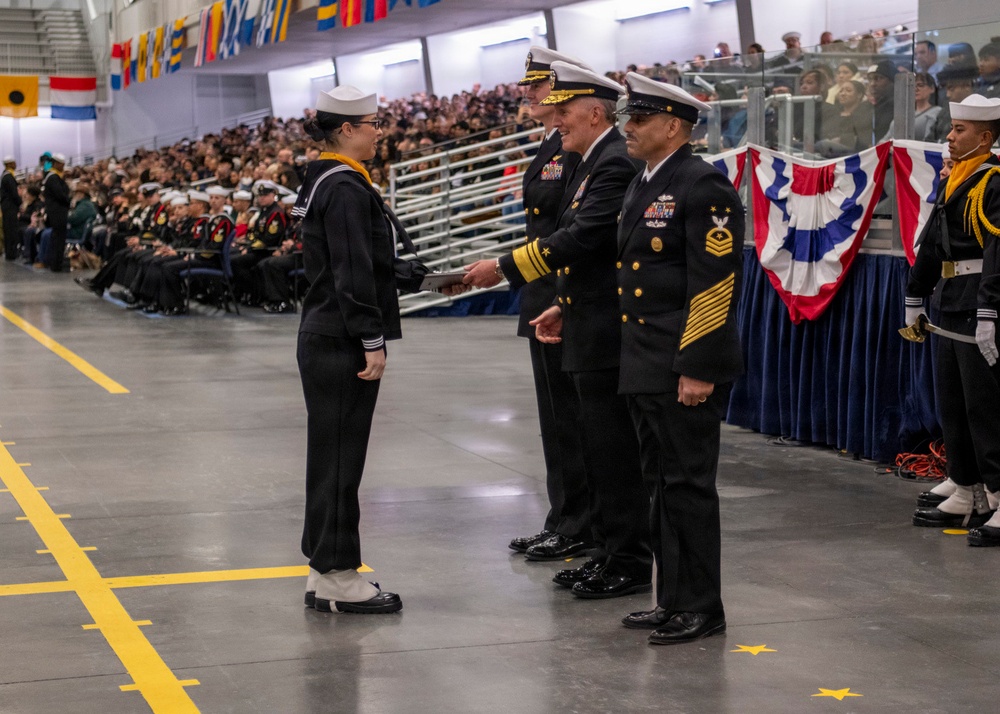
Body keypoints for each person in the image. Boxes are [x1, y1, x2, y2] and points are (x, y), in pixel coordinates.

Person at [464, 63, 652, 599]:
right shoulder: (591, 158)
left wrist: (502, 268)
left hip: (606, 326)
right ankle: (606, 550)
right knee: (591, 442)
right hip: (580, 314)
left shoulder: (610, 162)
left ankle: (623, 557)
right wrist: (564, 305)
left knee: (611, 450)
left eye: (564, 111)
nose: (555, 119)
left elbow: (583, 236)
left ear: (595, 112)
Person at [614, 73, 744, 645]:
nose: (628, 128)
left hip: (679, 362)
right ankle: (671, 599)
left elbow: (714, 284)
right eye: (627, 118)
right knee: (659, 483)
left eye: (639, 121)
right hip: (643, 359)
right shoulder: (646, 181)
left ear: (673, 126)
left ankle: (701, 604)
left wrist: (697, 366)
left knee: (688, 486)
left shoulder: (703, 185)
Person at [295, 86, 412, 614]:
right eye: (371, 122)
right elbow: (351, 272)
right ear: (345, 130)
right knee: (342, 459)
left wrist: (424, 278)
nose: (378, 130)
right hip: (341, 338)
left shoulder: (328, 178)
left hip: (325, 333)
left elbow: (364, 259)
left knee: (332, 458)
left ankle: (325, 571)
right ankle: (340, 576)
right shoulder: (343, 186)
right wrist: (372, 339)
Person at [497, 46, 593, 568]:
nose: (530, 95)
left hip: (563, 291)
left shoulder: (580, 148)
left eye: (538, 86)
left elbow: (576, 230)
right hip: (544, 291)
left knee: (574, 418)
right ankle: (563, 515)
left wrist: (554, 293)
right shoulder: (553, 142)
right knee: (555, 419)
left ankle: (580, 521)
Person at [906, 94, 1000, 545]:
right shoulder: (956, 178)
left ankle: (999, 494)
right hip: (949, 299)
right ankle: (968, 485)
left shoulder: (993, 182)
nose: (949, 136)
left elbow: (997, 253)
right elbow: (933, 242)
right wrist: (915, 294)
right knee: (954, 404)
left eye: (960, 130)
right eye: (951, 128)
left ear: (985, 137)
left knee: (986, 408)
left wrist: (990, 311)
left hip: (979, 303)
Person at [40, 153, 70, 272]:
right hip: (58, 212)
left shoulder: (53, 176)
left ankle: (56, 263)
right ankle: (56, 264)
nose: (63, 167)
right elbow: (61, 195)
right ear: (56, 164)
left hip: (55, 212)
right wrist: (69, 200)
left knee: (56, 238)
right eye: (62, 164)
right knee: (58, 238)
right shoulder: (53, 177)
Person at [1, 156, 20, 260]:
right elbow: (14, 193)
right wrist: (20, 202)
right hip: (10, 207)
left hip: (6, 206)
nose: (15, 164)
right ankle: (11, 253)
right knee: (11, 230)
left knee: (8, 229)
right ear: (10, 164)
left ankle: (10, 252)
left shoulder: (5, 175)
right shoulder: (8, 177)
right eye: (14, 162)